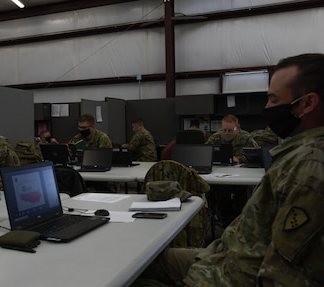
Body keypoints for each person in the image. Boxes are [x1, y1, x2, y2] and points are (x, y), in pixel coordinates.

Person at [132, 53, 324, 287]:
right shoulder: (298, 155)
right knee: (137, 260)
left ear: (307, 103)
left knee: (131, 273)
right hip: (223, 255)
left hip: (228, 274)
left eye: (274, 100)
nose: (267, 107)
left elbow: (282, 275)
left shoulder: (310, 167)